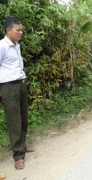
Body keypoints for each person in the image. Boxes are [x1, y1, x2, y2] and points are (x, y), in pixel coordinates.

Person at [0, 17, 34, 170]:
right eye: (18, 30)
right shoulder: (2, 46)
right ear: (8, 30)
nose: (21, 32)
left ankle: (22, 144)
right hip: (9, 87)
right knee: (14, 121)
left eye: (21, 30)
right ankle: (18, 155)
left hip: (20, 84)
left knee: (23, 117)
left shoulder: (16, 45)